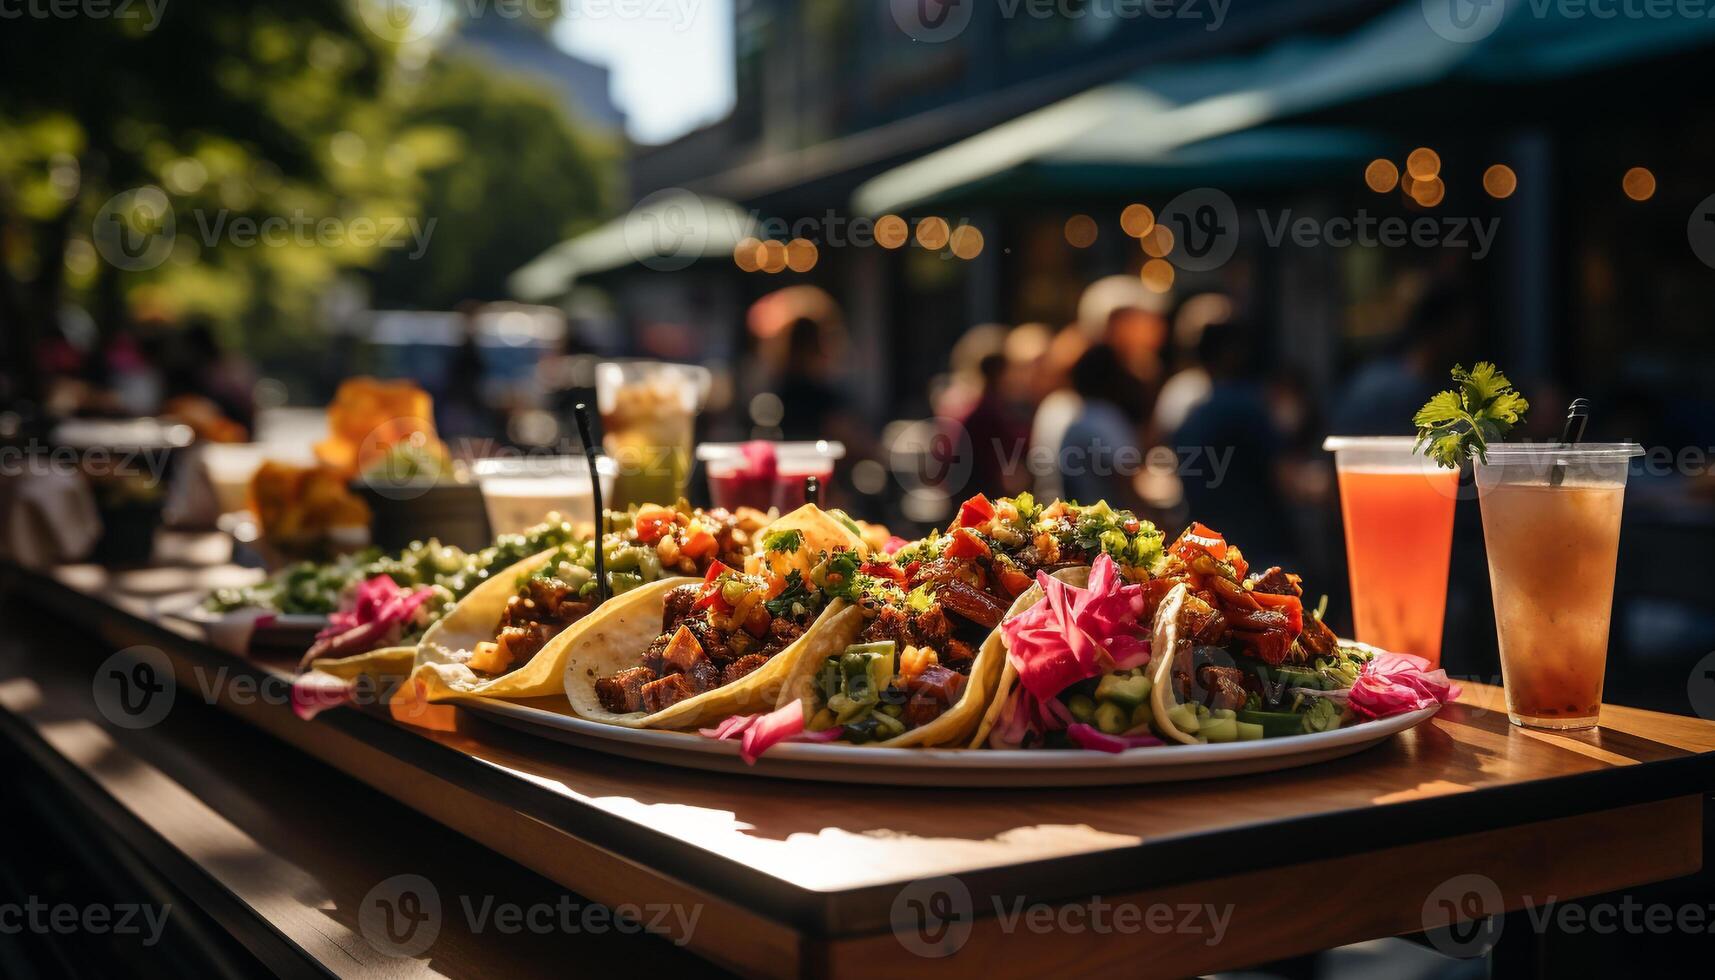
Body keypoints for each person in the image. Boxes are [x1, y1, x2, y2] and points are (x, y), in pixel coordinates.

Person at [1171, 318, 1292, 568]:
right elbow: (1284, 476)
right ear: (1233, 352)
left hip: (1207, 547)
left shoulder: (1193, 414)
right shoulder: (1246, 406)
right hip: (1257, 545)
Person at [1059, 343, 1148, 510]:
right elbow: (1126, 477)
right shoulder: (1103, 418)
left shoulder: (1078, 420)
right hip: (1107, 525)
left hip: (1083, 522)